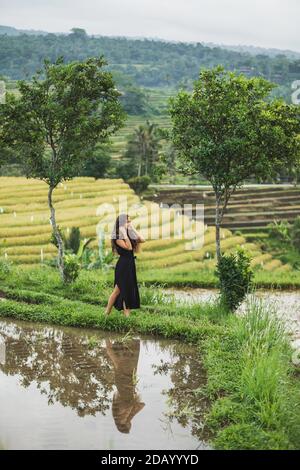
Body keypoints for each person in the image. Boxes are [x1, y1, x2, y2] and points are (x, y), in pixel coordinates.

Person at [105, 214, 145, 317]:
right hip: (123, 265)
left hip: (130, 265)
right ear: (122, 223)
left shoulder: (128, 233)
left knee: (127, 290)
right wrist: (125, 234)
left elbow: (142, 239)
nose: (129, 223)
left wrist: (133, 229)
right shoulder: (118, 236)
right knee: (117, 291)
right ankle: (106, 314)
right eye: (128, 222)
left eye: (130, 221)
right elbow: (129, 248)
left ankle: (127, 317)